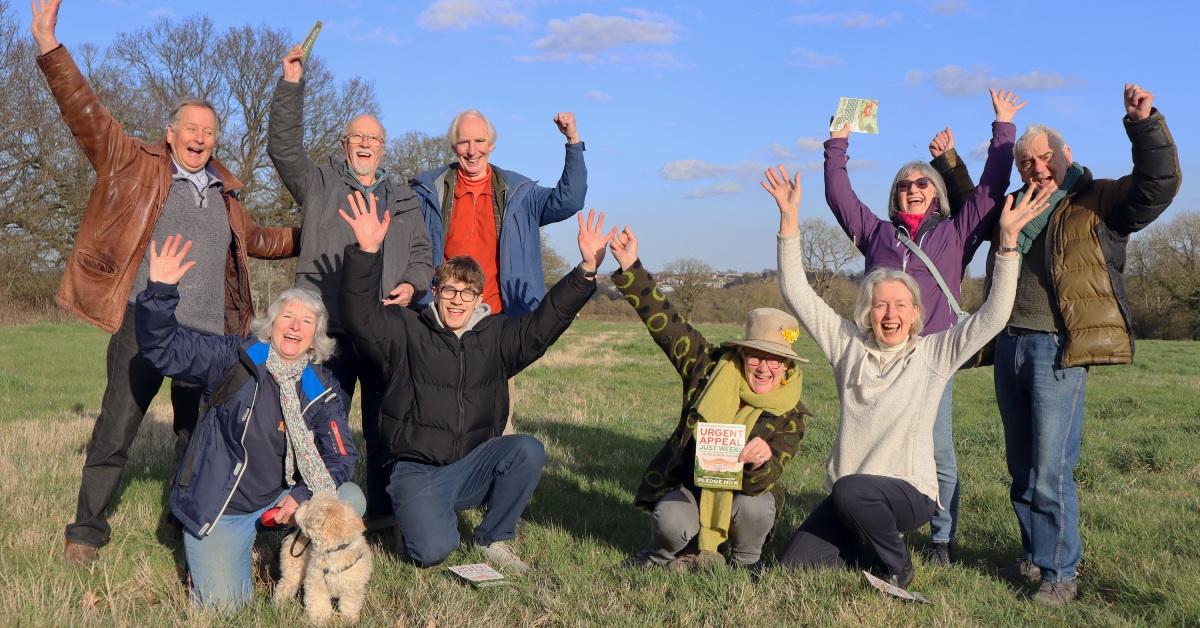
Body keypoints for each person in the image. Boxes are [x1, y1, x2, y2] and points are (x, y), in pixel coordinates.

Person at [31, 0, 300, 566]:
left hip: (204, 337)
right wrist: (48, 41)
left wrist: (313, 233)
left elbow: (260, 240)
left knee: (197, 438)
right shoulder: (134, 164)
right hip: (144, 324)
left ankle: (187, 527)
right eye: (191, 129)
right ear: (170, 133)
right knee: (116, 429)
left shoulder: (227, 196)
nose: (200, 138)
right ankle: (86, 532)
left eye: (209, 131)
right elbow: (86, 114)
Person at [936, 85, 1181, 605]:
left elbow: (1157, 185)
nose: (1036, 168)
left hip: (1057, 351)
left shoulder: (1097, 201)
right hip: (1008, 345)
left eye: (1044, 157)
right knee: (1021, 467)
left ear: (1065, 156)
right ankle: (1034, 554)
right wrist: (953, 164)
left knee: (1051, 469)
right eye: (1027, 162)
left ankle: (1060, 573)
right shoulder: (1013, 204)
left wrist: (1144, 124)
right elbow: (972, 211)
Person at [765, 165, 1053, 588]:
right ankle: (866, 551)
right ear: (867, 312)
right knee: (795, 566)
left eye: (901, 306)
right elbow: (797, 293)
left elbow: (992, 317)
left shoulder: (933, 354)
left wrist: (1008, 246)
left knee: (849, 490)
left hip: (909, 495)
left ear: (917, 314)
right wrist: (789, 221)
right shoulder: (847, 347)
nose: (891, 315)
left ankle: (898, 566)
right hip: (853, 499)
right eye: (881, 305)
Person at [338, 192, 612, 572]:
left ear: (478, 298)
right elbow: (359, 318)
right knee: (433, 551)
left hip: (471, 464)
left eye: (466, 293)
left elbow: (544, 326)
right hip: (417, 468)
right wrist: (367, 252)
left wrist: (583, 272)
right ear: (435, 292)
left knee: (526, 450)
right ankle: (418, 514)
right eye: (448, 290)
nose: (456, 301)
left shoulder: (496, 336)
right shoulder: (407, 330)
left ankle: (494, 538)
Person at [823, 88, 1025, 565]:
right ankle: (862, 521)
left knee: (938, 450)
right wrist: (838, 141)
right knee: (866, 443)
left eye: (922, 183)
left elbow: (992, 190)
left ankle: (941, 538)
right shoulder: (875, 233)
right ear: (894, 196)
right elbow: (838, 194)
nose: (913, 188)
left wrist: (1003, 127)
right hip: (876, 355)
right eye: (904, 185)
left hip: (929, 357)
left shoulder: (956, 233)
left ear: (935, 194)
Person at [133, 234, 361, 610]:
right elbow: (164, 349)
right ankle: (208, 565)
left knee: (350, 498)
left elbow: (340, 455)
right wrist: (159, 292)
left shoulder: (318, 385)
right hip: (225, 506)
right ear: (270, 325)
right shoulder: (234, 359)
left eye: (306, 322)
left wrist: (302, 495)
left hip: (282, 497)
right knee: (228, 609)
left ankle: (296, 551)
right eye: (286, 316)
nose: (294, 326)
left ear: (314, 339)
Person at [268, 44, 432, 523]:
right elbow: (281, 146)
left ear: (383, 148)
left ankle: (380, 514)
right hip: (330, 329)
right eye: (356, 137)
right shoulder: (318, 183)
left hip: (383, 329)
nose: (364, 145)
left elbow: (421, 254)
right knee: (324, 421)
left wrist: (412, 285)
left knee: (385, 424)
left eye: (373, 140)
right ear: (344, 144)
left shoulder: (402, 199)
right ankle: (322, 512)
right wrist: (291, 85)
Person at [608, 227, 808, 571]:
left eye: (774, 359)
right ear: (742, 354)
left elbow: (762, 481)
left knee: (757, 507)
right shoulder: (708, 369)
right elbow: (668, 327)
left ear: (787, 365)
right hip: (691, 486)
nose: (763, 367)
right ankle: (662, 556)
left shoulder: (791, 412)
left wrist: (762, 461)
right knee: (670, 519)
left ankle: (746, 563)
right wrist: (631, 269)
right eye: (756, 356)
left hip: (744, 497)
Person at [411, 109, 587, 433]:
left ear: (491, 144)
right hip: (443, 318)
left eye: (479, 140)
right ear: (453, 146)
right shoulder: (427, 192)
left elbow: (570, 199)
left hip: (498, 322)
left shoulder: (521, 195)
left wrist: (573, 142)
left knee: (495, 420)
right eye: (464, 141)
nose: (472, 149)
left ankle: (496, 475)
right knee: (437, 417)